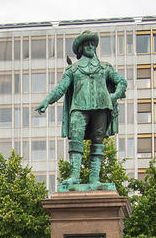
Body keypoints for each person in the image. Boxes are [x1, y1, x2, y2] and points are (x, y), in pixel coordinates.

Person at [36, 30, 127, 190]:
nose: (91, 46)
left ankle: (94, 179)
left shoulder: (105, 68)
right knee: (76, 140)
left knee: (98, 142)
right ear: (81, 49)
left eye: (93, 44)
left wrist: (114, 96)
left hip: (102, 107)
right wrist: (46, 101)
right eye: (87, 44)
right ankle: (74, 177)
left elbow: (122, 82)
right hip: (79, 108)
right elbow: (60, 89)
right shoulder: (73, 70)